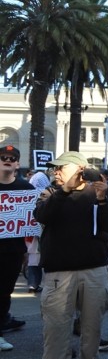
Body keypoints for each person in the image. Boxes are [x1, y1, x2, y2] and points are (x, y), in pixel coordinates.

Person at [33, 151, 108, 359]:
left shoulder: (97, 193)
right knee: (56, 329)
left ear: (79, 168)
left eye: (61, 168)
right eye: (54, 169)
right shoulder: (50, 193)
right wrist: (64, 191)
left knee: (92, 329)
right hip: (59, 272)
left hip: (94, 269)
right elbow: (42, 216)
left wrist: (103, 200)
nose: (56, 172)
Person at [0, 144, 34, 343]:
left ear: (17, 164)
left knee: (5, 290)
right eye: (3, 156)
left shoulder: (26, 189)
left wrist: (29, 251)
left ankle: (3, 320)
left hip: (13, 250)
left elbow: (31, 222)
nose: (7, 159)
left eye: (12, 158)